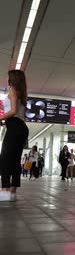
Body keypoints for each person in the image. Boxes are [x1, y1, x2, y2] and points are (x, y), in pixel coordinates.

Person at [0, 70, 29, 201]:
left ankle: (5, 191)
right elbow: (16, 113)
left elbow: (12, 111)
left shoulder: (12, 90)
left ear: (13, 78)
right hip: (21, 127)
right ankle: (12, 192)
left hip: (15, 127)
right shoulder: (22, 93)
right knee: (15, 160)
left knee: (5, 158)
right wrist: (4, 120)